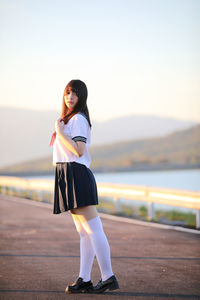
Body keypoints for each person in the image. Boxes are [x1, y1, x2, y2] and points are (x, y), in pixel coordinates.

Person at [49, 79, 119, 294]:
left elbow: (79, 150)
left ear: (82, 97)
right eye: (67, 92)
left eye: (75, 93)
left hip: (76, 173)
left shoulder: (78, 119)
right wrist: (61, 130)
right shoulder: (68, 120)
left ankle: (108, 276)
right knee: (84, 232)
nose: (70, 96)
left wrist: (60, 133)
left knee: (93, 229)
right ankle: (85, 278)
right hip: (67, 173)